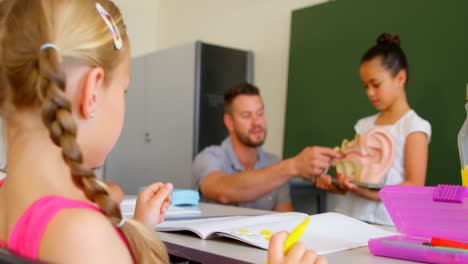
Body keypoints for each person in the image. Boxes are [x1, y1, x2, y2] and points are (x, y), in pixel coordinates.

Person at [0, 1, 325, 263]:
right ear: (93, 92)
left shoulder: (10, 195)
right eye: (124, 90)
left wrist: (141, 228)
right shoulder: (80, 236)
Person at [315, 33, 431, 226]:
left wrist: (365, 192)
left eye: (376, 84)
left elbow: (414, 186)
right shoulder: (364, 126)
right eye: (365, 86)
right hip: (351, 219)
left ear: (400, 78)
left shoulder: (414, 127)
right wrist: (336, 185)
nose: (370, 92)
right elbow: (355, 180)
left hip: (388, 224)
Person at [193, 83, 340, 212]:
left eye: (260, 113)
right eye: (246, 115)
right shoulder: (208, 157)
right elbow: (223, 191)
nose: (256, 122)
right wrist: (293, 166)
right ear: (229, 122)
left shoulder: (274, 163)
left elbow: (285, 219)